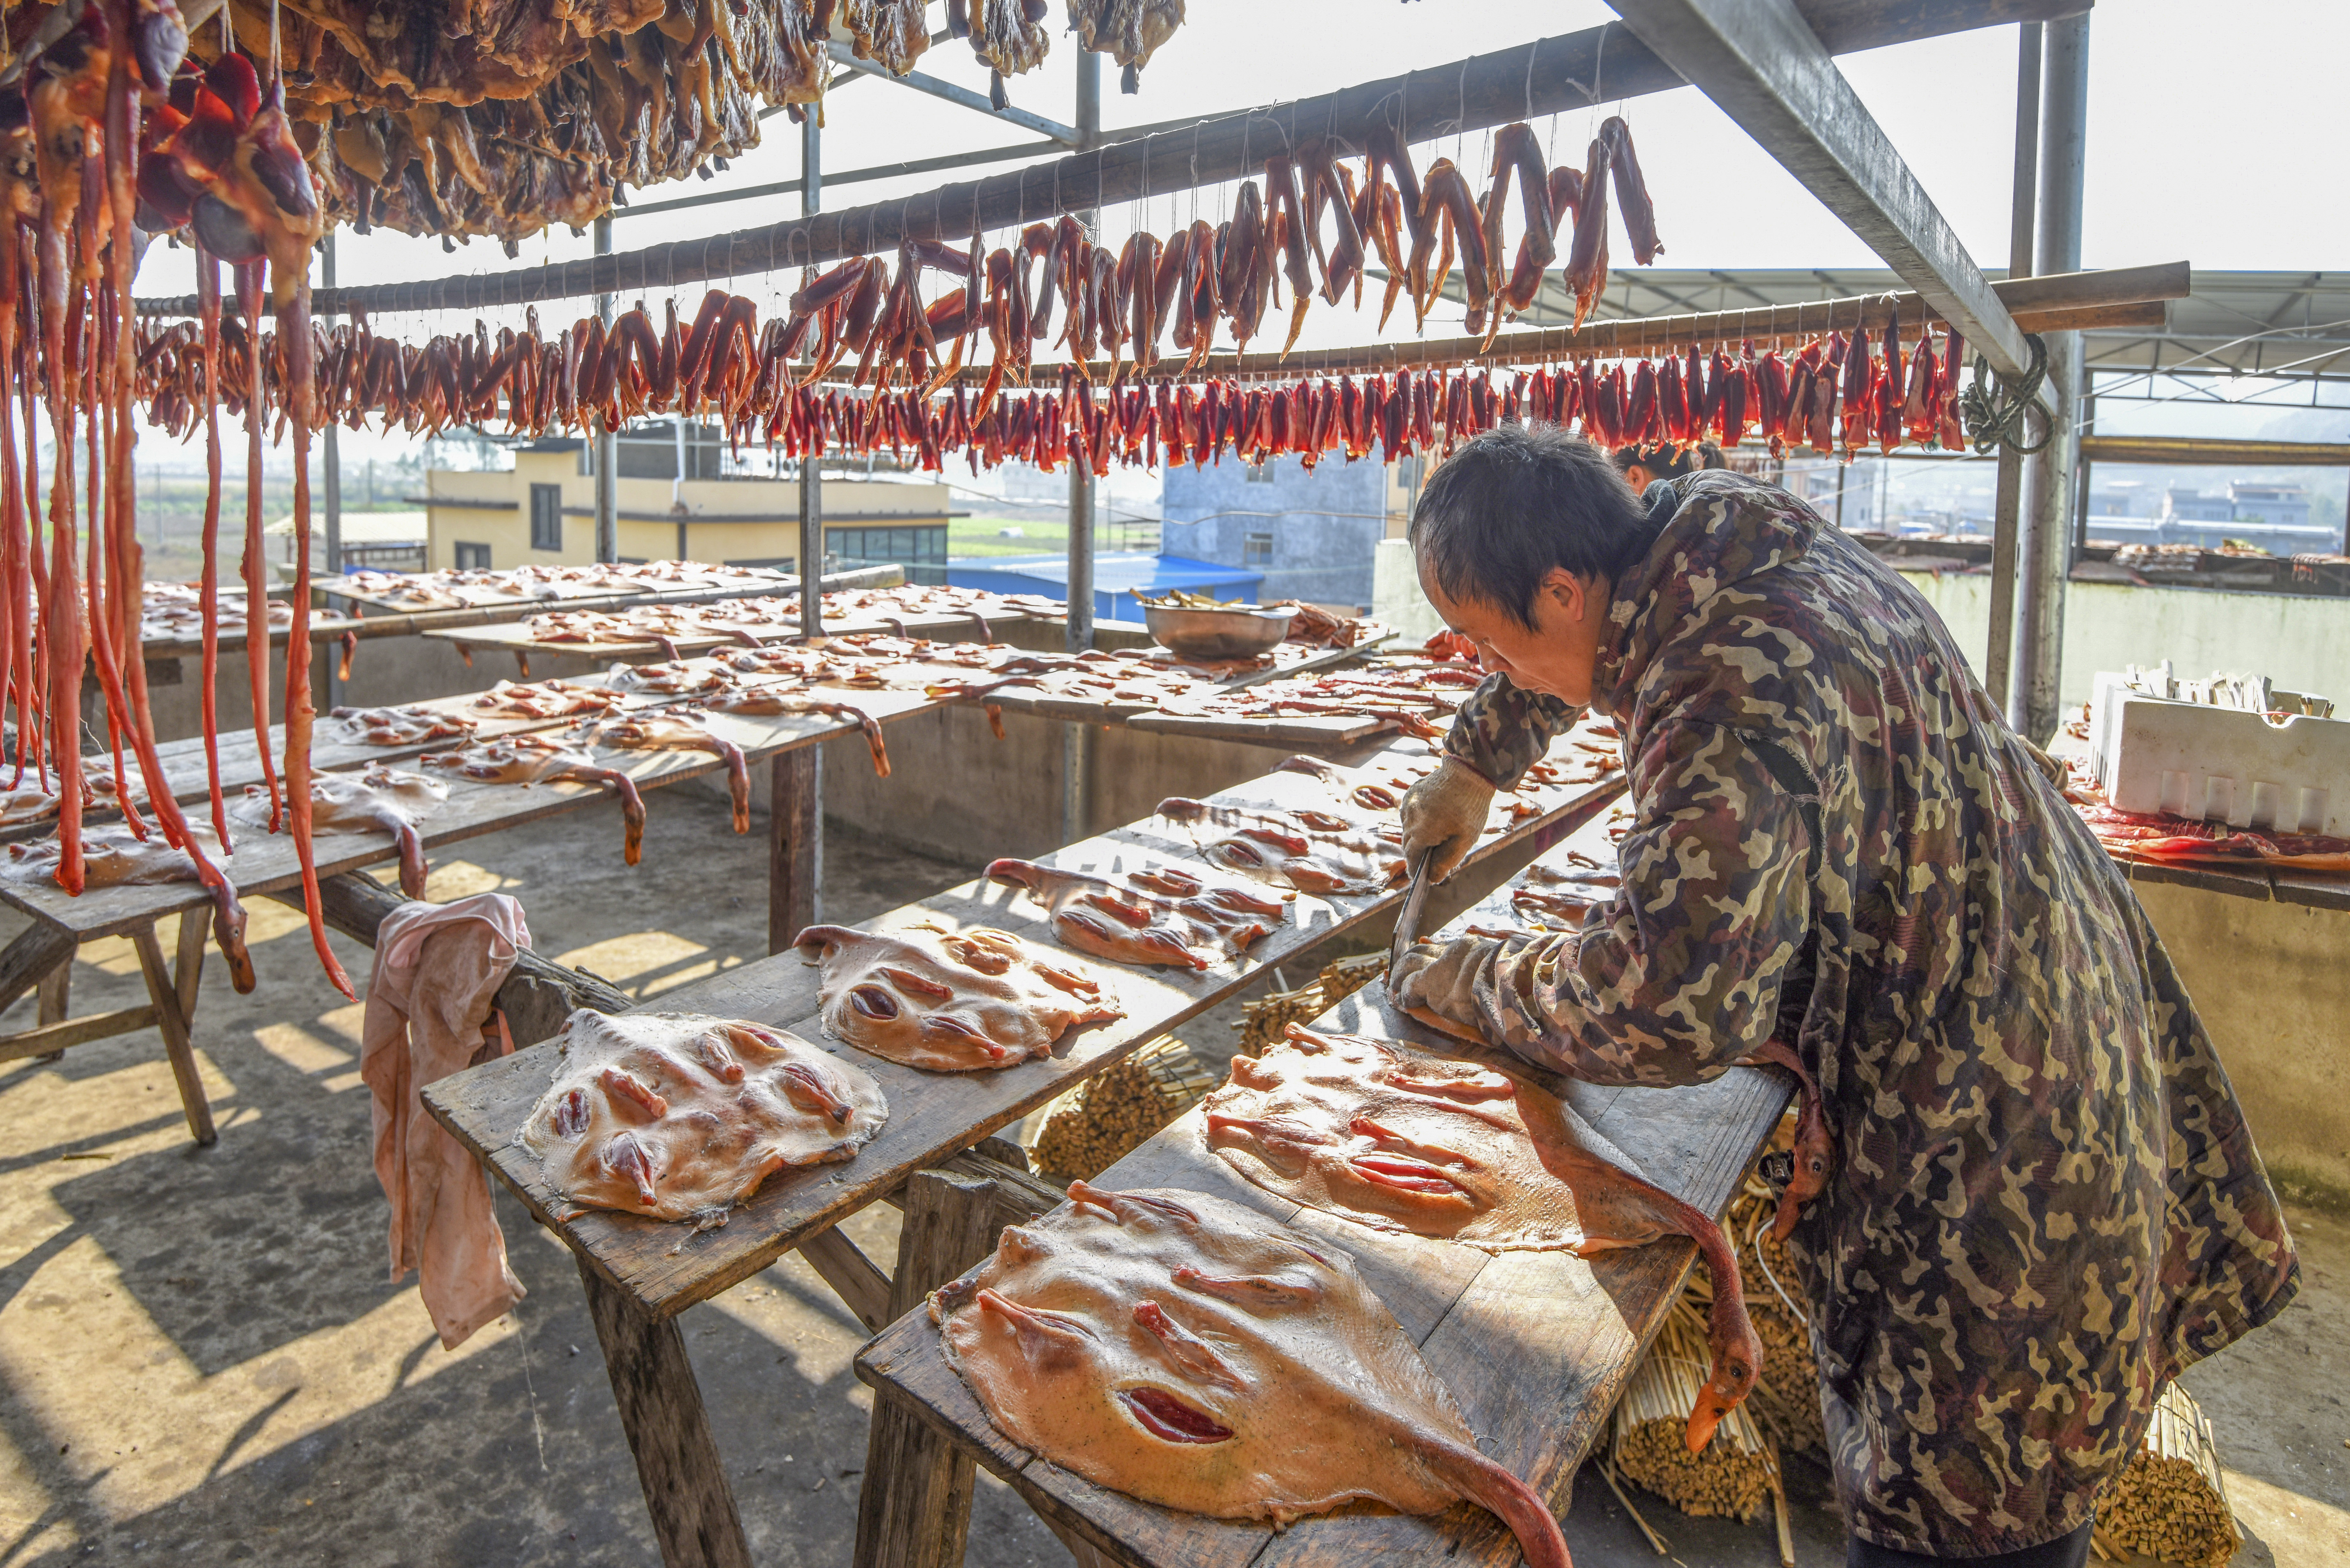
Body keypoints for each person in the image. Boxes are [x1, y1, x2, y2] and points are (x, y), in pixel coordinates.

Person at [1389, 423, 2299, 1567]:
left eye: (1488, 645)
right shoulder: (1716, 538)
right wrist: (1475, 760)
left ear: (1565, 591)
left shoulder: (1724, 696)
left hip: (1996, 1156)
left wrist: (1474, 979)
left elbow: (1665, 1007)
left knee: (1966, 1510)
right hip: (2052, 1015)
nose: (1493, 668)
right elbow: (1573, 640)